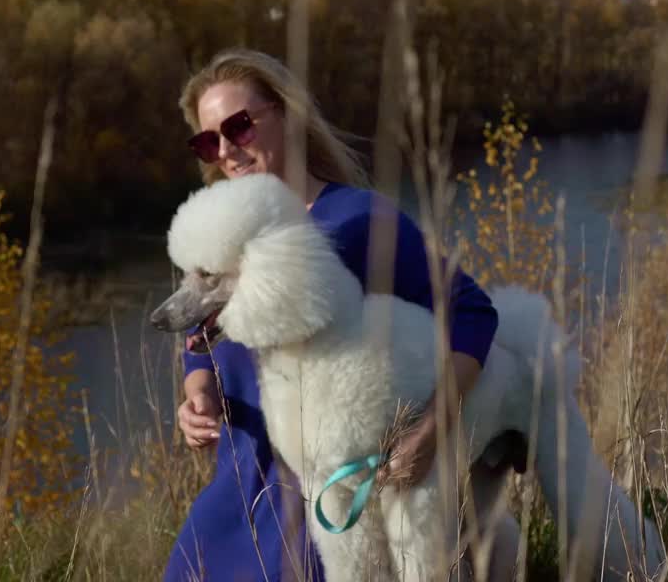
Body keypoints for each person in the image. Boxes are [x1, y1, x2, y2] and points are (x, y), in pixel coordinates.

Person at [163, 48, 507, 582]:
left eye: (239, 126)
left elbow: (473, 314)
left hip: (328, 515)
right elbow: (199, 337)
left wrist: (429, 432)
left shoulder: (362, 222)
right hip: (233, 498)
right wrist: (198, 394)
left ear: (287, 114)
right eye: (210, 140)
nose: (227, 150)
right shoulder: (218, 236)